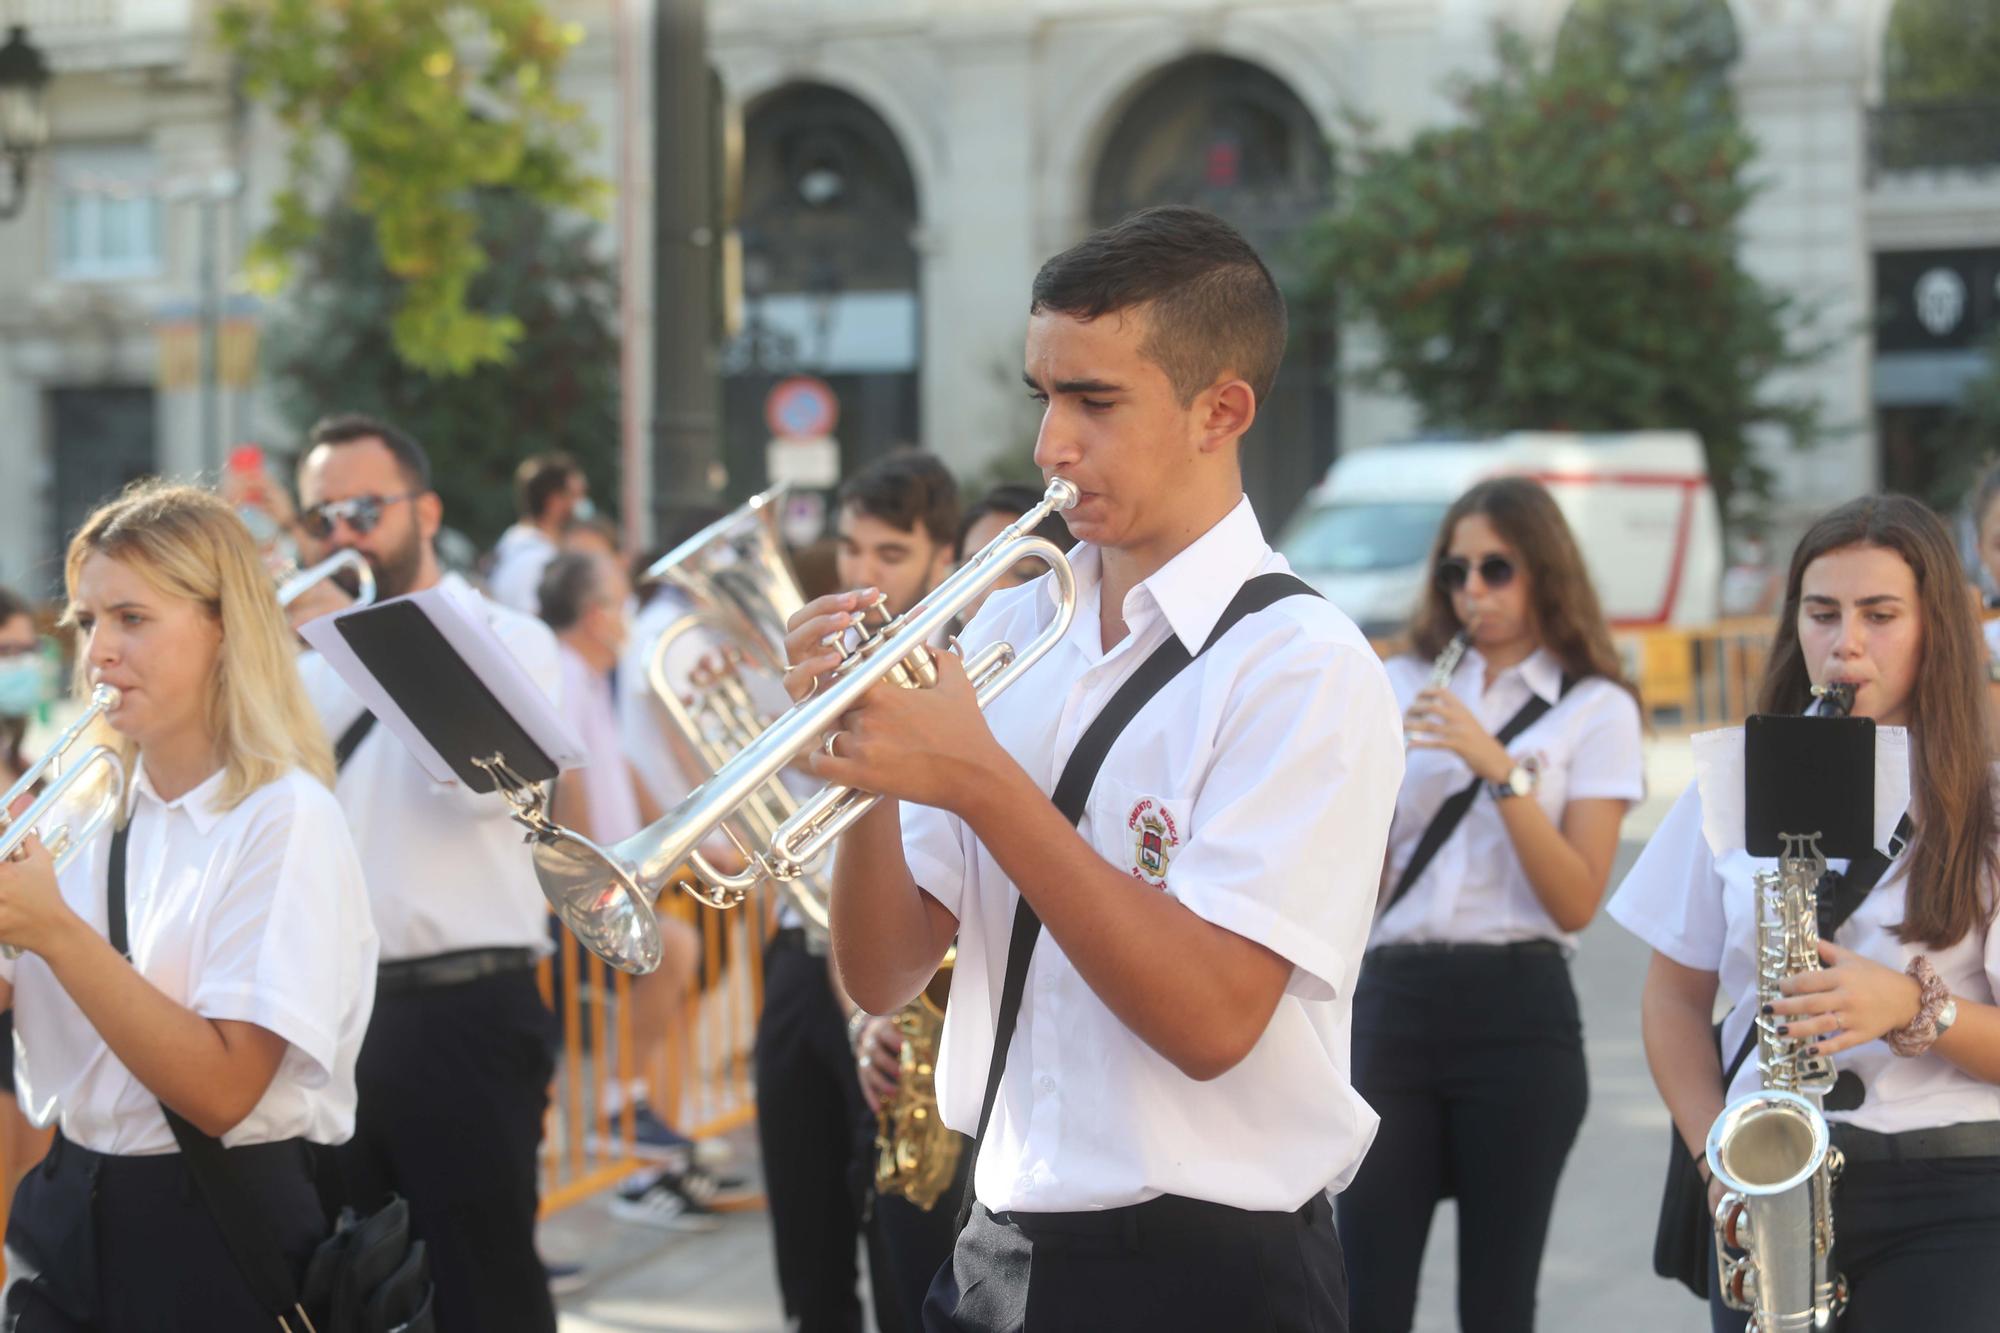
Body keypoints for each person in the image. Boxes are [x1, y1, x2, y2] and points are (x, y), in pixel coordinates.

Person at [791, 205, 1402, 1332]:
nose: (1048, 447)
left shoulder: (1300, 664)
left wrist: (977, 778)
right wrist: (864, 765)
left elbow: (1211, 1021)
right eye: (1044, 397)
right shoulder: (1012, 627)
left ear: (1219, 411)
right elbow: (880, 973)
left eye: (1095, 402)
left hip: (1208, 1269)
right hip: (1000, 1236)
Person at [1610, 494, 2000, 1332]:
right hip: (1771, 1187)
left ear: (1937, 625)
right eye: (1822, 613)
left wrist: (1913, 1007)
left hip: (1952, 1195)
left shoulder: (1990, 796)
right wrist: (1717, 1152)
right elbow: (1673, 999)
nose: (1845, 643)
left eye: (1880, 614)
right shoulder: (1736, 779)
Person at [0, 482, 378, 1329]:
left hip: (209, 1228)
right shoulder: (83, 804)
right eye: (89, 621)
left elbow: (223, 1088)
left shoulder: (284, 818)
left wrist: (52, 928)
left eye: (132, 618)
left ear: (221, 628)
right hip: (67, 1206)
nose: (98, 651)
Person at [1335, 477, 1646, 1333]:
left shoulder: (1594, 706)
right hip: (1394, 999)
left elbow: (1577, 896)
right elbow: (1350, 863)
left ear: (1545, 573)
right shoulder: (1398, 678)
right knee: (1367, 1288)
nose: (1472, 591)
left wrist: (1498, 768)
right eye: (1455, 570)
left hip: (1519, 1008)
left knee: (1498, 1304)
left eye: (1496, 569)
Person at [289, 414, 564, 1333]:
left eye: (363, 508)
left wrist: (365, 640)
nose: (341, 535)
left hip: (465, 1013)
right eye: (319, 516)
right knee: (346, 1288)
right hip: (332, 1014)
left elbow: (488, 789)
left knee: (483, 1286)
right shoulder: (300, 657)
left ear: (428, 510)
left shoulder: (513, 635)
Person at [850, 480, 1077, 1332]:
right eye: (979, 566)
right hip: (982, 1152)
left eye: (1008, 570)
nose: (984, 595)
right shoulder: (958, 668)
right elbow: (885, 960)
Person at [535, 550, 742, 1227]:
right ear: (596, 616)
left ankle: (643, 1130)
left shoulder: (588, 674)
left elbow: (616, 765)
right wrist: (599, 880)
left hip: (608, 879)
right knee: (675, 948)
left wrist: (685, 839)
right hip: (579, 891)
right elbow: (569, 779)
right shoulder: (567, 672)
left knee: (680, 957)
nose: (627, 616)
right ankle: (620, 1107)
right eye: (619, 603)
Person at [0, 590, 53, 1192]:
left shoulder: (31, 764)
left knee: (31, 1184)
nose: (22, 664)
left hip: (34, 993)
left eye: (27, 650)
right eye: (5, 651)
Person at [489, 453, 591, 615]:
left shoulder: (515, 545)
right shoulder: (535, 562)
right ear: (554, 502)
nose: (583, 505)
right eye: (576, 496)